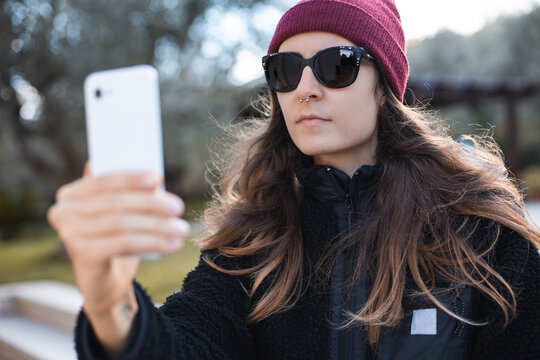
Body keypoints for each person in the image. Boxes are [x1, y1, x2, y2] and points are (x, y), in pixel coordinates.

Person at [47, 0, 540, 359]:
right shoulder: (251, 240)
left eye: (336, 66)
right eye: (284, 70)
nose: (304, 89)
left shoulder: (478, 225)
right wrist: (110, 305)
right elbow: (189, 342)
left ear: (384, 86)